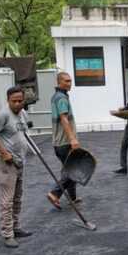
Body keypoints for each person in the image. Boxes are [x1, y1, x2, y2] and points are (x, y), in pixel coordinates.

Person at [0, 86, 33, 248]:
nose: (18, 104)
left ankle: (16, 228)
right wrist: (4, 153)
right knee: (7, 201)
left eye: (20, 100)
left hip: (20, 162)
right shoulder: (4, 114)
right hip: (7, 164)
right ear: (8, 100)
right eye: (14, 101)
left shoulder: (23, 114)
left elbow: (23, 133)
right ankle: (7, 234)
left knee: (18, 198)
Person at [46, 72, 81, 209]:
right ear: (59, 82)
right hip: (65, 142)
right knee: (73, 170)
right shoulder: (61, 98)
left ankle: (72, 197)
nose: (69, 83)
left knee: (68, 169)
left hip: (58, 142)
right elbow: (64, 119)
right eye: (66, 81)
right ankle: (55, 193)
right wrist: (72, 139)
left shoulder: (56, 96)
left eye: (70, 81)